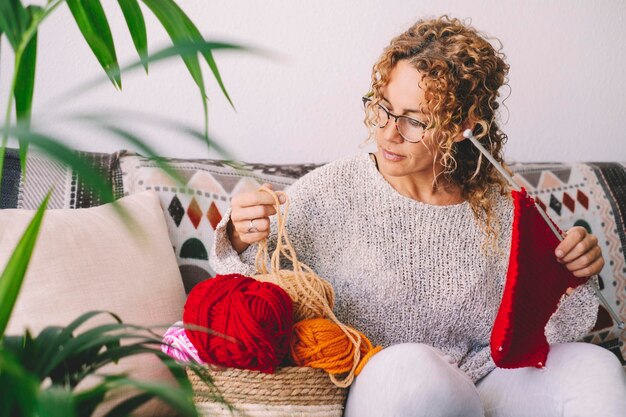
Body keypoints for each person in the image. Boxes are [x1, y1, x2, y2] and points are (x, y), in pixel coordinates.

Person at [210, 16, 626, 417]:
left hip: (487, 384)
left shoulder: (502, 204)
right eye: (384, 109)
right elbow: (246, 291)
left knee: (595, 367)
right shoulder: (330, 190)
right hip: (384, 385)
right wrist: (241, 235)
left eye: (414, 120)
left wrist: (570, 277)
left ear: (461, 127)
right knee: (412, 370)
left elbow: (547, 331)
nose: (390, 132)